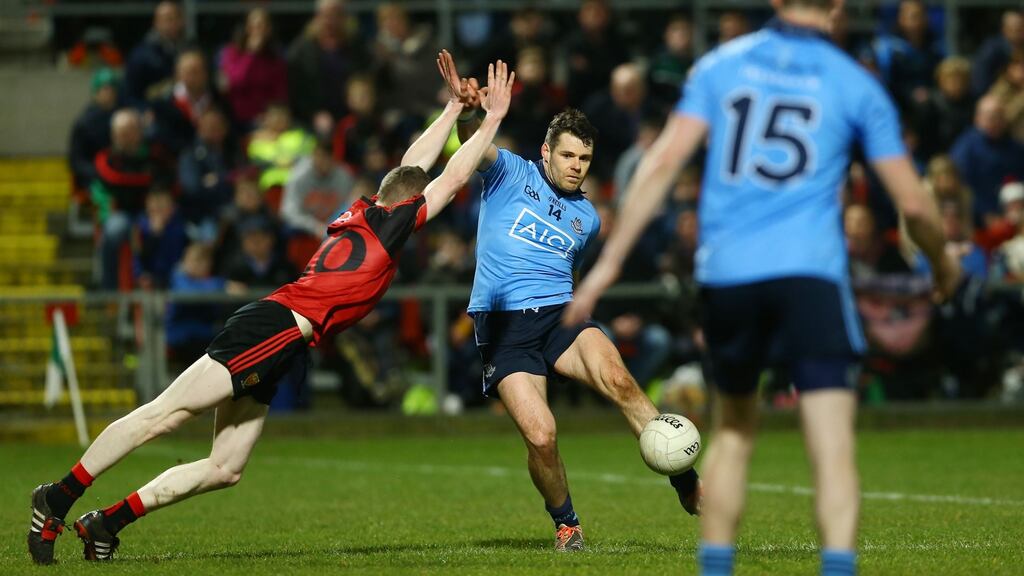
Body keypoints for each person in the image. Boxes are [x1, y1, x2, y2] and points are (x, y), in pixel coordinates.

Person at [26, 60, 516, 565]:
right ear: (409, 204)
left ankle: (107, 522)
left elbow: (414, 166)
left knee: (225, 467)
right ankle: (58, 496)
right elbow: (451, 176)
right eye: (420, 199)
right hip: (276, 327)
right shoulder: (394, 226)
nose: (425, 204)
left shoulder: (368, 210)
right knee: (162, 416)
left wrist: (454, 108)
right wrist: (492, 117)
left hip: (283, 339)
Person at [566, 2, 961, 575]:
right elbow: (916, 204)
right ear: (837, 7)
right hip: (812, 277)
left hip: (730, 277)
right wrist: (943, 267)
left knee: (735, 435)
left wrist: (606, 267)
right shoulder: (855, 83)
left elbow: (661, 165)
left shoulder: (720, 66)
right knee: (831, 448)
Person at [436, 50, 701, 553]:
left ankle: (686, 482)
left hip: (559, 318)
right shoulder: (508, 173)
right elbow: (475, 144)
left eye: (584, 159)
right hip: (504, 330)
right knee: (541, 435)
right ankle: (567, 524)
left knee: (622, 381)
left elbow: (567, 270)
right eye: (568, 156)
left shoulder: (588, 219)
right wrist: (471, 111)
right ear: (546, 152)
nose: (577, 167)